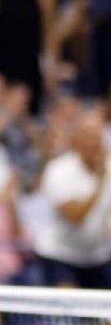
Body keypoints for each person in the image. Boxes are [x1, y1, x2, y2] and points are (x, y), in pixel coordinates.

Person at [33, 108, 111, 287]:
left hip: (98, 255)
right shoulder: (59, 170)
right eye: (90, 138)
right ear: (77, 141)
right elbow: (74, 215)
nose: (96, 144)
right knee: (67, 302)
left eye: (98, 138)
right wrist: (99, 183)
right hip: (61, 254)